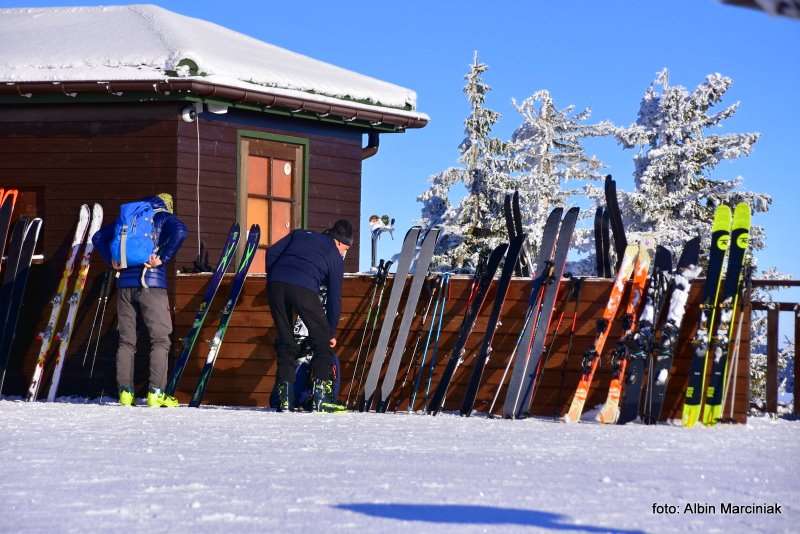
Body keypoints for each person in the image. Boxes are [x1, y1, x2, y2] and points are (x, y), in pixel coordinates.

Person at [93, 194, 187, 407]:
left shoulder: (128, 218)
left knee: (126, 341)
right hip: (151, 283)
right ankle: (156, 393)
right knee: (160, 340)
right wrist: (163, 258)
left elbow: (98, 237)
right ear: (167, 205)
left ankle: (125, 394)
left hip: (124, 285)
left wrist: (111, 260)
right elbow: (181, 230)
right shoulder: (161, 216)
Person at [267, 219, 352, 412]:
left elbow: (271, 252)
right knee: (322, 342)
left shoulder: (299, 234)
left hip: (275, 286)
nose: (344, 253)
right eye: (346, 248)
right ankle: (321, 399)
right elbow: (334, 299)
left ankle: (285, 399)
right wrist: (331, 332)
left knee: (286, 341)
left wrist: (274, 276)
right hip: (304, 288)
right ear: (339, 242)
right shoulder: (335, 256)